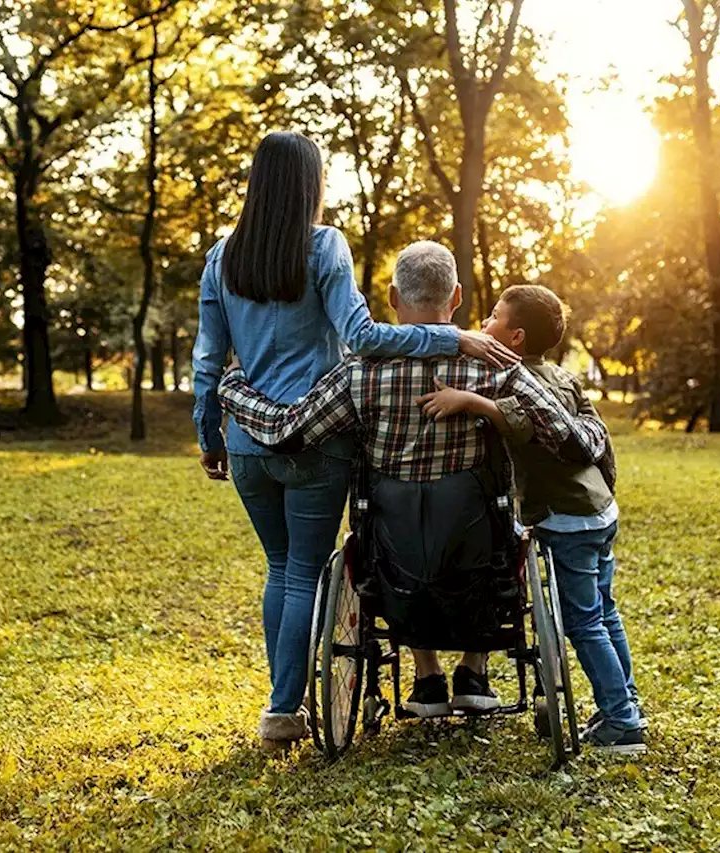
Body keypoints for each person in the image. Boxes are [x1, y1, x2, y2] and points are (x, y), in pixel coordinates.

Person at [192, 132, 516, 753]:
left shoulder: (221, 258)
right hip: (316, 436)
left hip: (248, 440)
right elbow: (363, 337)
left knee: (280, 568)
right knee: (303, 573)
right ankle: (284, 711)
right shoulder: (322, 246)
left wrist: (209, 433)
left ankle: (282, 708)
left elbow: (208, 360)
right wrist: (452, 340)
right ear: (310, 184)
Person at [217, 241, 609, 724]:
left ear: (392, 299)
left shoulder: (360, 372)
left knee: (397, 533)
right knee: (484, 519)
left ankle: (426, 675)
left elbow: (284, 431)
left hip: (392, 558)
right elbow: (566, 436)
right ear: (458, 296)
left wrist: (231, 387)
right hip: (480, 554)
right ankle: (472, 669)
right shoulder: (494, 365)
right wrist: (595, 433)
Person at [419, 284, 646, 755]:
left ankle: (622, 723)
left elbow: (519, 422)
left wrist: (467, 401)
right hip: (599, 508)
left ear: (515, 336)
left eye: (494, 317)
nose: (484, 322)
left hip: (566, 518)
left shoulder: (517, 383)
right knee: (605, 612)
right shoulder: (563, 377)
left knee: (584, 623)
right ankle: (625, 704)